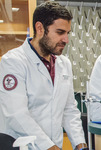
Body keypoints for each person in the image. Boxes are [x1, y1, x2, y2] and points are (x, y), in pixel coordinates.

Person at [0, 2, 87, 150]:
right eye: (60, 32)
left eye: (67, 33)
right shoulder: (13, 62)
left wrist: (80, 144)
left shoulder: (63, 64)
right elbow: (16, 115)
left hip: (54, 145)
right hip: (23, 147)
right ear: (40, 28)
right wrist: (49, 147)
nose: (66, 39)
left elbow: (69, 110)